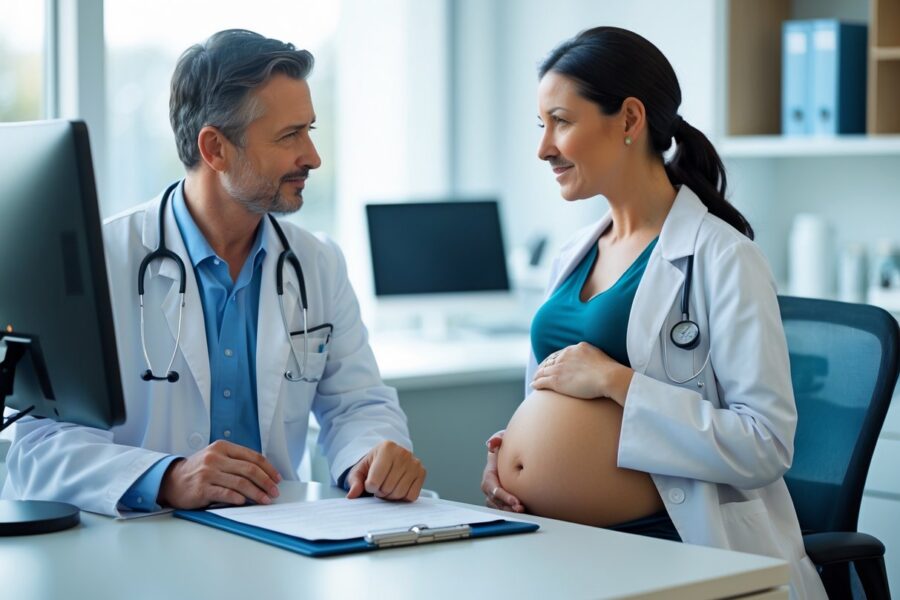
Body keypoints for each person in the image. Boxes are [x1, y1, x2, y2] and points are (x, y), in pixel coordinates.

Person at [2, 29, 425, 516]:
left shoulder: (317, 262)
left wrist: (370, 456)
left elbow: (358, 405)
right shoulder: (101, 260)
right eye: (290, 135)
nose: (312, 156)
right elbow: (38, 445)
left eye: (310, 129)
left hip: (282, 545)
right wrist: (166, 478)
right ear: (215, 148)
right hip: (142, 549)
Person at [479, 27, 825, 600]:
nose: (543, 148)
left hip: (671, 548)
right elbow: (561, 403)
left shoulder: (723, 257)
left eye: (560, 122)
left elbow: (765, 444)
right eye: (541, 125)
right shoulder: (572, 256)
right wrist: (509, 455)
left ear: (629, 120)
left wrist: (617, 382)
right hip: (562, 546)